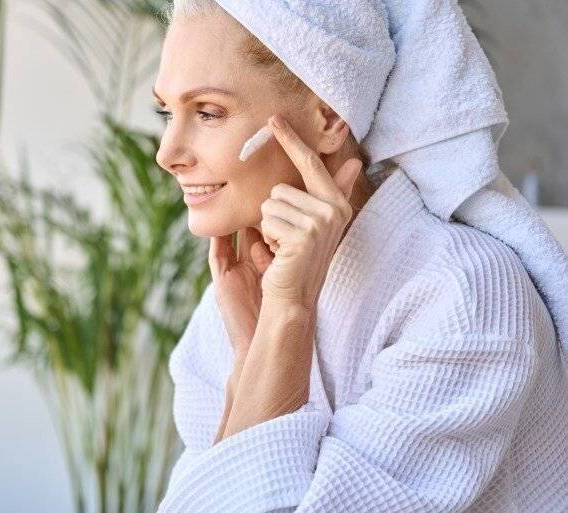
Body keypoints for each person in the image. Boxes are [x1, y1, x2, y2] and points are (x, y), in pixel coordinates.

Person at [152, 1, 568, 512]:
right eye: (166, 112)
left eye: (209, 113)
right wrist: (250, 355)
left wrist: (287, 317)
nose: (167, 153)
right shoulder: (235, 304)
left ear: (328, 116)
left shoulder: (467, 294)